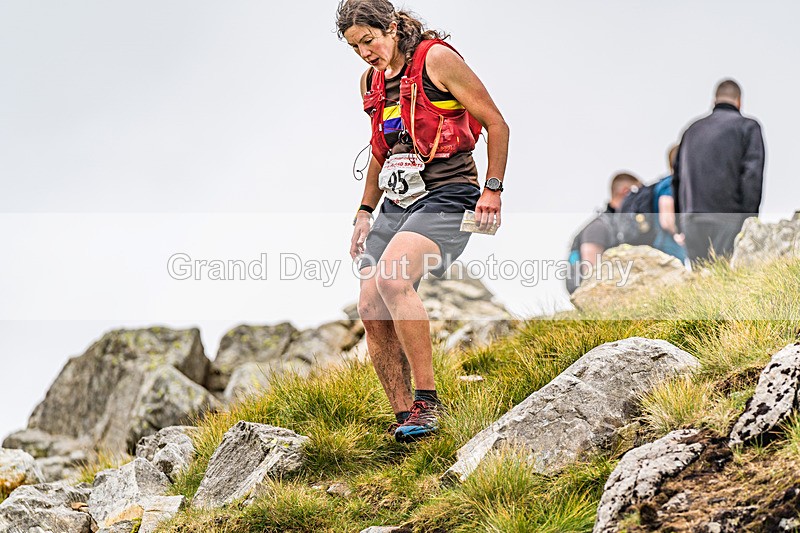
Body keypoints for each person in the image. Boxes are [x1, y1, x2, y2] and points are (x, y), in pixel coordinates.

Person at [336, 0, 509, 442]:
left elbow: (497, 124)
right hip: (398, 202)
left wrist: (493, 190)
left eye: (368, 40)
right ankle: (405, 420)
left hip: (451, 194)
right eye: (355, 47)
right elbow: (380, 152)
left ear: (391, 26)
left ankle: (428, 403)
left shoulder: (436, 59)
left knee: (394, 279)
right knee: (370, 304)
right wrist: (363, 212)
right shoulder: (370, 82)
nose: (364, 53)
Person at [673, 79, 765, 262]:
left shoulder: (691, 130)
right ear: (739, 101)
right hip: (728, 218)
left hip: (691, 219)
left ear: (714, 100)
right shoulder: (747, 127)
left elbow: (677, 179)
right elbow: (752, 176)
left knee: (700, 282)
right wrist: (749, 220)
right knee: (725, 281)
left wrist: (680, 222)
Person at [565, 172, 640, 294]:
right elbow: (590, 275)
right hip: (594, 296)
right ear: (626, 191)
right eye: (638, 193)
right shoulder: (599, 227)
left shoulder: (615, 224)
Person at [649, 145, 687, 262]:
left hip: (662, 241)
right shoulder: (670, 184)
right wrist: (677, 235)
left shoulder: (662, 184)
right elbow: (666, 219)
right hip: (671, 244)